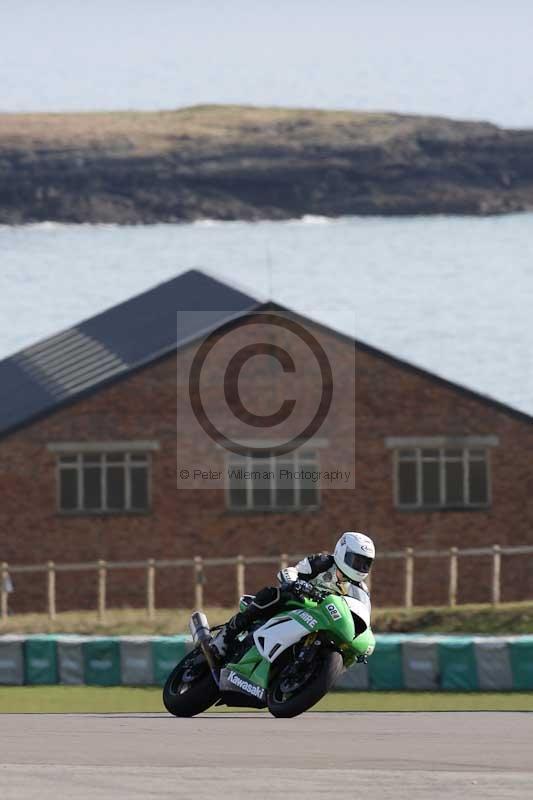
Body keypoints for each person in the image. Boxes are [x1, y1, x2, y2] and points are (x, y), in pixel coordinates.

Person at [211, 531, 375, 658]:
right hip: (299, 602)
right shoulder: (323, 562)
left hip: (323, 619)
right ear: (342, 551)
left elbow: (362, 616)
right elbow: (292, 571)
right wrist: (294, 582)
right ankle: (227, 634)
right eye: (356, 560)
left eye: (365, 563)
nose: (360, 567)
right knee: (273, 594)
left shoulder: (360, 590)